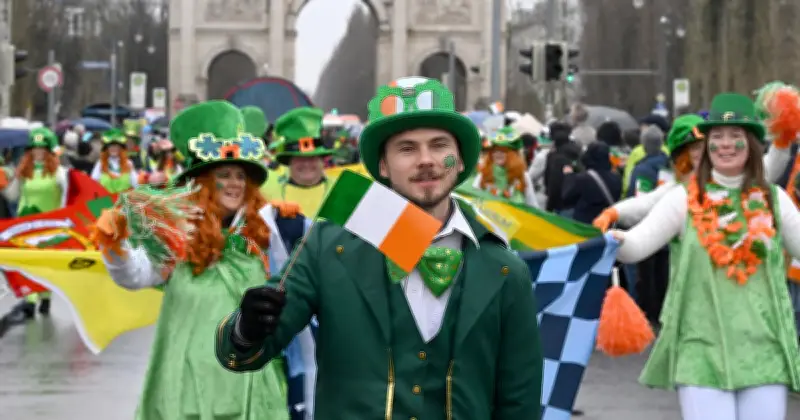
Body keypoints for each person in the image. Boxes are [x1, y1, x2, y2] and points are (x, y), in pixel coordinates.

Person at [216, 77, 542, 419]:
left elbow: (520, 401)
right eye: (407, 148)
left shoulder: (504, 268)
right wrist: (247, 329)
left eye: (439, 145)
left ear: (459, 161)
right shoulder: (327, 247)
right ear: (383, 166)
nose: (426, 160)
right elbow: (244, 352)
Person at [93, 101, 306, 419]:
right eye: (224, 174)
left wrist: (294, 231)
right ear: (204, 181)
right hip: (187, 387)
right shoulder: (176, 235)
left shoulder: (267, 234)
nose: (235, 183)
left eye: (240, 175)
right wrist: (113, 244)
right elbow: (133, 276)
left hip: (249, 384)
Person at [610, 93, 800, 420]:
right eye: (717, 137)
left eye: (735, 136)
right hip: (701, 349)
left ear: (752, 145)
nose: (725, 144)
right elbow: (638, 244)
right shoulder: (683, 199)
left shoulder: (773, 199)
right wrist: (615, 240)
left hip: (763, 348)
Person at [0, 127, 68, 318]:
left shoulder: (59, 173)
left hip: (48, 223)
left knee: (45, 263)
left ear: (47, 150)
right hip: (25, 222)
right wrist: (5, 182)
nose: (38, 152)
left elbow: (68, 195)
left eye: (41, 148)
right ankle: (30, 299)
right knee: (27, 262)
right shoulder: (24, 171)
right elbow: (12, 195)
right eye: (34, 148)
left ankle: (45, 296)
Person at [260, 107, 335, 217]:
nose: (306, 164)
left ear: (322, 160)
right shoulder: (266, 191)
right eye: (300, 158)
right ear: (289, 161)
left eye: (312, 157)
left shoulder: (341, 191)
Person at [473, 126, 539, 207]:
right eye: (495, 150)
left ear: (513, 154)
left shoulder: (523, 175)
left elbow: (532, 204)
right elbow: (474, 199)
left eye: (503, 150)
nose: (498, 153)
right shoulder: (484, 172)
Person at [561, 141, 621, 224]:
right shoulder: (616, 177)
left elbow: (566, 197)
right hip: (605, 224)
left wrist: (569, 176)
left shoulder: (583, 179)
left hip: (585, 225)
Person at [90, 128, 138, 193]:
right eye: (110, 146)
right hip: (105, 201)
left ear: (121, 148)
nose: (113, 148)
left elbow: (136, 184)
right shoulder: (100, 163)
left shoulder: (128, 163)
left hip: (122, 201)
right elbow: (93, 184)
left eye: (116, 146)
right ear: (106, 148)